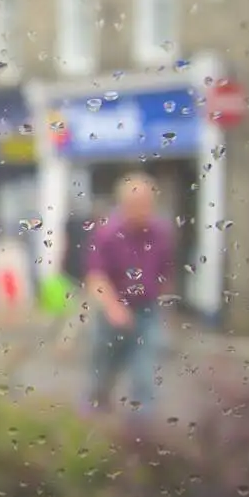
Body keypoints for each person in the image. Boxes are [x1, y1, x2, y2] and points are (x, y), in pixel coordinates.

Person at [82, 174, 176, 421]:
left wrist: (162, 304)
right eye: (136, 204)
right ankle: (96, 405)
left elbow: (165, 272)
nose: (142, 210)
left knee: (145, 368)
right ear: (123, 205)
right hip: (113, 311)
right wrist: (113, 308)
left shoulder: (161, 233)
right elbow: (96, 277)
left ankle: (141, 430)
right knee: (103, 365)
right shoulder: (108, 234)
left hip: (147, 310)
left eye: (147, 203)